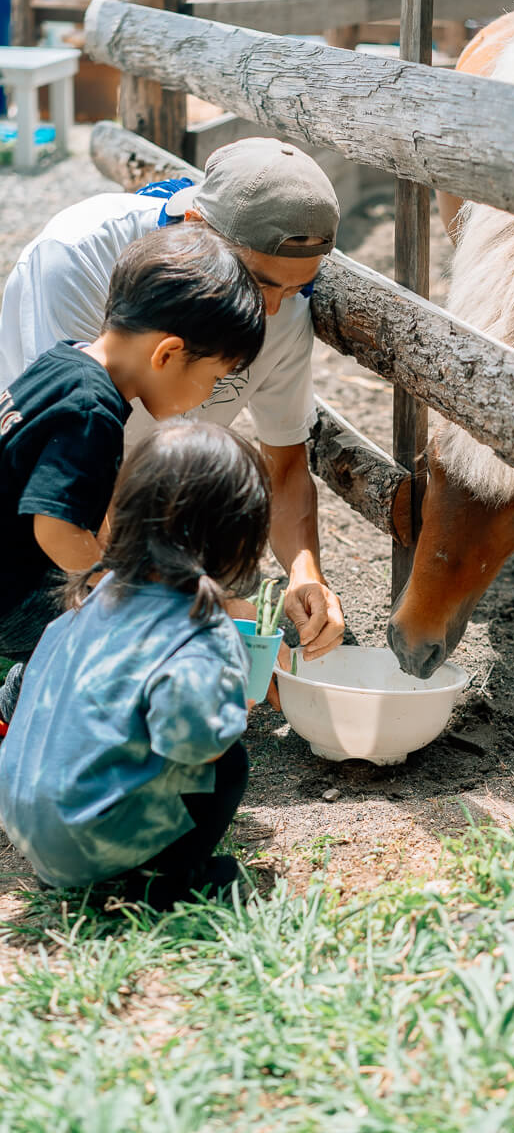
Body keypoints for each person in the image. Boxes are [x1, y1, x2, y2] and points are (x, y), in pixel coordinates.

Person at [0, 137, 346, 664]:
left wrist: (305, 570)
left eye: (297, 290)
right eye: (258, 282)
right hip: (31, 564)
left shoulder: (83, 360)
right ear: (196, 229)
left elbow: (285, 464)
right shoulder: (76, 258)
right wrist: (141, 595)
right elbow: (64, 517)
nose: (273, 311)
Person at [0, 222, 265, 724]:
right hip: (12, 593)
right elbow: (56, 528)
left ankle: (24, 707)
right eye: (212, 378)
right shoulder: (91, 410)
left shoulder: (67, 362)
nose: (208, 397)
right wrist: (116, 594)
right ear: (167, 354)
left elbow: (84, 505)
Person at [0, 421, 271, 909]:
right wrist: (231, 708)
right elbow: (194, 744)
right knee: (229, 765)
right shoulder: (198, 632)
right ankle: (169, 886)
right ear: (237, 539)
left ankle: (71, 869)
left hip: (27, 827)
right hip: (90, 841)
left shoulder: (91, 599)